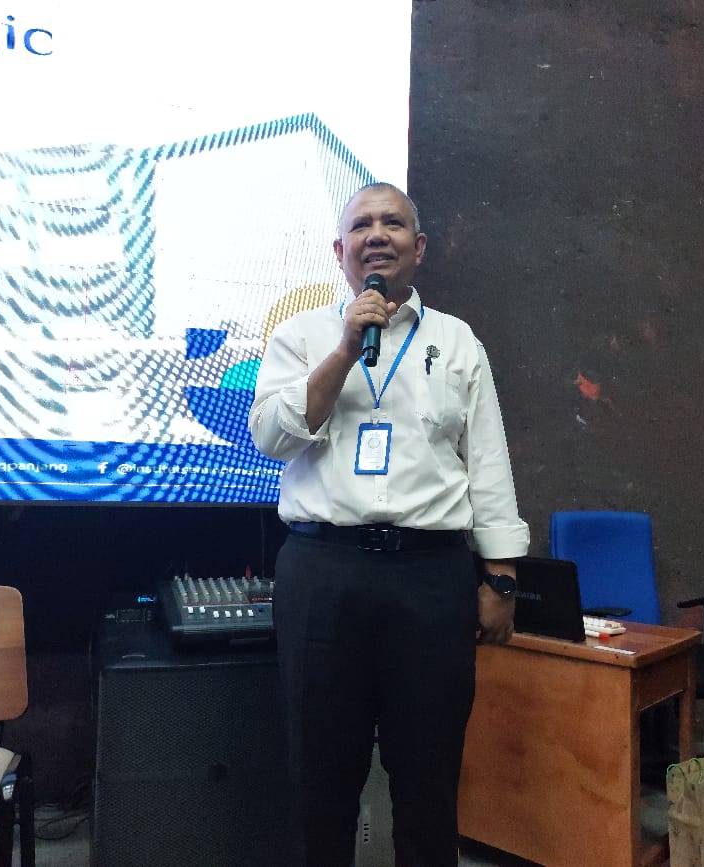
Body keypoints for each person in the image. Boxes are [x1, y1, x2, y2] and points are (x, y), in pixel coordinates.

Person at [248, 182, 529, 867]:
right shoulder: (300, 335)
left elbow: (487, 462)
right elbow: (272, 438)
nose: (378, 235)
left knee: (429, 772)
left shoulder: (457, 341)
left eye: (394, 223)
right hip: (324, 572)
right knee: (320, 772)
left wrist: (500, 577)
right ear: (340, 250)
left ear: (418, 247)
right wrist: (345, 349)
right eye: (362, 225)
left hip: (430, 577)